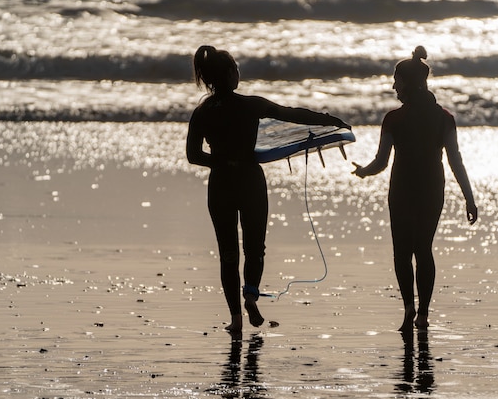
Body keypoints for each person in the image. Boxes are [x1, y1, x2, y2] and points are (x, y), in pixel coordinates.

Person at [187, 45, 349, 334]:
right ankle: (250, 294)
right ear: (228, 74)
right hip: (250, 180)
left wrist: (223, 162)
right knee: (255, 248)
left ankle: (235, 319)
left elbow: (193, 155)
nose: (238, 73)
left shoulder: (202, 112)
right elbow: (292, 114)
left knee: (228, 253)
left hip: (221, 183)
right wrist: (328, 119)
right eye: (236, 68)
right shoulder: (251, 105)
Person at [352, 46, 477, 331]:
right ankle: (423, 314)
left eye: (396, 80)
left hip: (402, 188)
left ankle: (408, 308)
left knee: (402, 252)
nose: (394, 85)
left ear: (407, 82)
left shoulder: (393, 119)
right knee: (424, 249)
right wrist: (469, 198)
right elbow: (456, 161)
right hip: (433, 187)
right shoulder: (445, 118)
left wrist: (363, 172)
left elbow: (381, 162)